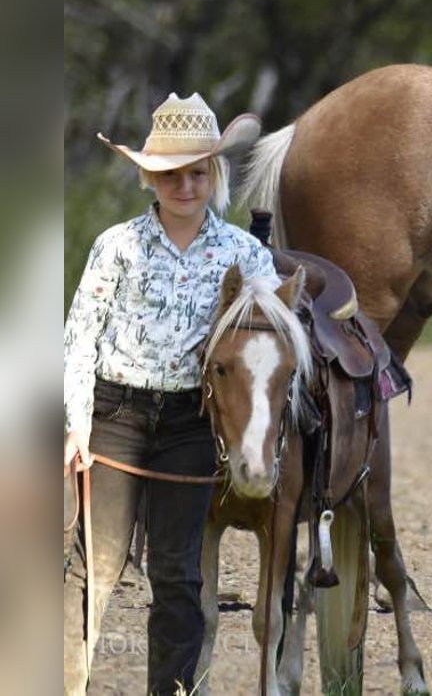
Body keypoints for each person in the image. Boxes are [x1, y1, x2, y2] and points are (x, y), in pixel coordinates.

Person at [64, 93, 277, 695]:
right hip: (115, 414)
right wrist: (76, 424)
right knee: (93, 569)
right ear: (149, 177)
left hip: (189, 423)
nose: (185, 185)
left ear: (215, 175)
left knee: (179, 575)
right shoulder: (116, 246)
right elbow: (80, 338)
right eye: (170, 174)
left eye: (198, 172)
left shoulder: (246, 254)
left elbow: (268, 346)